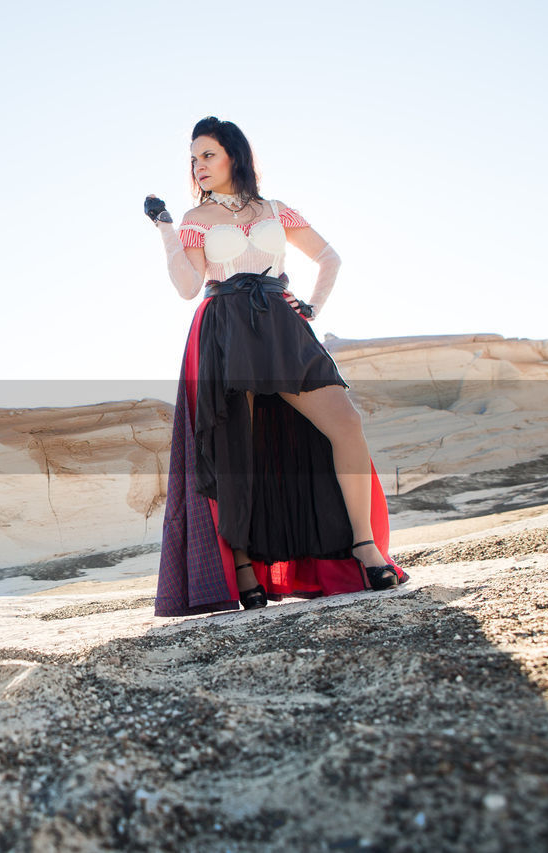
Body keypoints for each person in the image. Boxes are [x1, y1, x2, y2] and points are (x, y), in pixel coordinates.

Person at [145, 116, 407, 616]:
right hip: (225, 325)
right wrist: (165, 231)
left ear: (234, 156)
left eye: (208, 155)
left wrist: (312, 307)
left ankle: (364, 548)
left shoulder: (276, 210)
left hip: (280, 323)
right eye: (194, 159)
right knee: (233, 445)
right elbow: (186, 287)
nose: (198, 166)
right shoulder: (195, 219)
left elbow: (329, 257)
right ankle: (244, 569)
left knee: (346, 424)